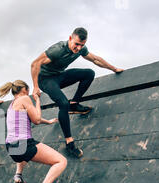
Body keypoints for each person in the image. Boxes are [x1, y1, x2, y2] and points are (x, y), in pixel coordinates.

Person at [31, 27, 124, 158]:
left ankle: (74, 104)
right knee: (63, 103)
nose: (79, 48)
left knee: (89, 73)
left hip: (59, 76)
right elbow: (35, 64)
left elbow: (95, 59)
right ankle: (69, 142)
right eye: (76, 44)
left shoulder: (81, 50)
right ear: (70, 38)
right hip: (45, 80)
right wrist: (35, 87)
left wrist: (114, 69)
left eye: (82, 45)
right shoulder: (58, 49)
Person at [0, 80, 67, 183]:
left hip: (11, 146)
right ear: (24, 89)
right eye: (28, 91)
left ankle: (18, 175)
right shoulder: (25, 98)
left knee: (23, 156)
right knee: (61, 161)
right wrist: (38, 101)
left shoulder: (12, 105)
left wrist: (49, 122)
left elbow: (31, 118)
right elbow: (36, 119)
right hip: (23, 143)